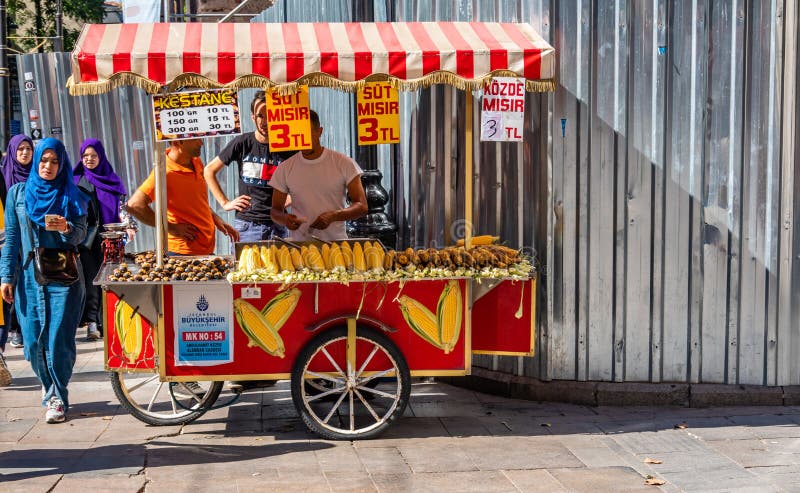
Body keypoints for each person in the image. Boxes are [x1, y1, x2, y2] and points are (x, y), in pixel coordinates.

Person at [0, 138, 88, 422]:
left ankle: (57, 397)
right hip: (28, 278)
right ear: (36, 161)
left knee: (59, 340)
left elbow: (80, 236)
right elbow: (12, 238)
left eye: (54, 161)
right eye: (43, 160)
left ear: (62, 164)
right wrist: (5, 276)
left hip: (63, 277)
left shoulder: (72, 194)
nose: (48, 166)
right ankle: (47, 384)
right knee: (33, 341)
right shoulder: (18, 194)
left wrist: (66, 228)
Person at [203, 90, 295, 242]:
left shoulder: (288, 147)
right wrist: (225, 203)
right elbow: (209, 171)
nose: (264, 121)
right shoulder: (242, 142)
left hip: (278, 224)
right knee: (245, 266)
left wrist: (292, 197)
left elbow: (307, 178)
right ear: (253, 117)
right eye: (260, 116)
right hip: (248, 225)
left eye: (269, 115)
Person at [126, 138, 238, 255]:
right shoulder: (164, 172)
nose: (201, 143)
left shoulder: (196, 161)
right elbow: (134, 205)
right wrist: (171, 228)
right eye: (195, 139)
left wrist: (215, 218)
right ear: (178, 142)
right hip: (181, 252)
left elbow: (195, 201)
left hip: (204, 249)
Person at [269, 110, 368, 241]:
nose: (303, 138)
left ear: (319, 131)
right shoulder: (285, 168)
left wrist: (334, 216)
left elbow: (362, 206)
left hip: (336, 245)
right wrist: (285, 219)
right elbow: (275, 211)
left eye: (308, 132)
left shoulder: (343, 163)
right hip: (300, 246)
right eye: (299, 133)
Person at [73, 138, 127, 341]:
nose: (89, 159)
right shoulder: (76, 180)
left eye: (93, 155)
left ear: (101, 156)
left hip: (110, 238)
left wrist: (128, 227)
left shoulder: (111, 179)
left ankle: (110, 322)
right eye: (85, 156)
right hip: (86, 240)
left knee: (110, 279)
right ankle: (92, 323)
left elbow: (123, 207)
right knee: (91, 279)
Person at [0, 135, 33, 353]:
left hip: (33, 244)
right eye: (19, 149)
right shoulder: (4, 178)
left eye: (27, 148)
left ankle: (25, 328)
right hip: (8, 243)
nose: (23, 152)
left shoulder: (39, 176)